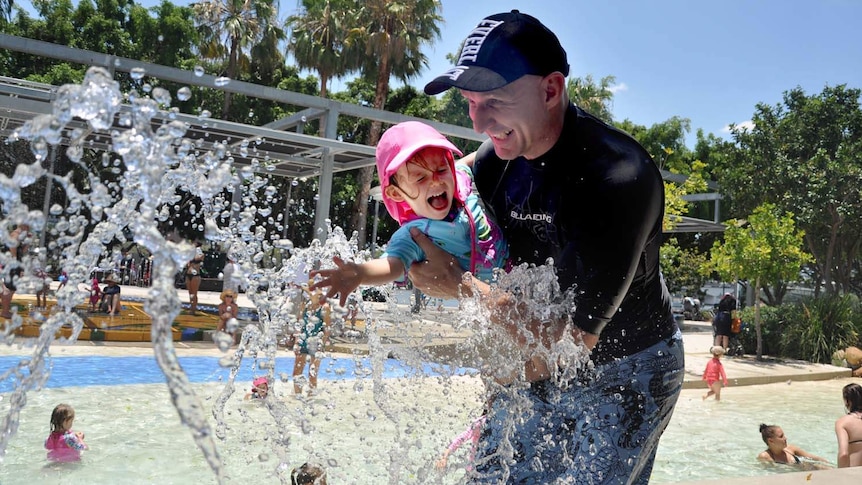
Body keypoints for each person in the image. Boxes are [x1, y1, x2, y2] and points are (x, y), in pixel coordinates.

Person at [410, 10, 684, 482]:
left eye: (493, 100)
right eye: (470, 102)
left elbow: (570, 343)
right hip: (534, 355)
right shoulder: (494, 164)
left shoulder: (618, 178)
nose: (478, 122)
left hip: (628, 367)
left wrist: (462, 286)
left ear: (551, 90)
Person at [309, 121, 509, 309]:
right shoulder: (414, 235)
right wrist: (361, 273)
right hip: (484, 298)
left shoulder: (458, 181)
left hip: (513, 270)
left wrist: (506, 141)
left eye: (441, 169)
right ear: (396, 193)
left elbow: (471, 160)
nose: (436, 181)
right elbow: (391, 265)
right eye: (420, 178)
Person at [292, 288, 331, 396]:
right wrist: (296, 342)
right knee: (296, 373)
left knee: (312, 375)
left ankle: (311, 399)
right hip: (303, 341)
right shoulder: (305, 305)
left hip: (316, 343)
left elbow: (326, 329)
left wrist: (320, 346)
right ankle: (297, 397)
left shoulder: (325, 307)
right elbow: (299, 325)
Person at [757, 424, 832, 469]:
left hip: (809, 471)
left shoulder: (791, 449)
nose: (785, 438)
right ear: (771, 441)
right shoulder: (765, 457)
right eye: (781, 436)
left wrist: (827, 462)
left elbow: (812, 457)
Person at [1, 223, 30, 319]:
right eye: (28, 227)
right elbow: (12, 248)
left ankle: (5, 310)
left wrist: (28, 242)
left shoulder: (20, 236)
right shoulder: (15, 235)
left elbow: (23, 251)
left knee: (11, 288)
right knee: (9, 289)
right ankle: (5, 311)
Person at [835, 383, 862, 467]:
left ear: (848, 401)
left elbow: (844, 454)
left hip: (855, 474)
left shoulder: (842, 422)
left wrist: (842, 475)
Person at [184, 241, 204, 315]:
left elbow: (200, 257)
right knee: (190, 293)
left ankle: (193, 309)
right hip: (188, 274)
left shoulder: (199, 251)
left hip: (196, 275)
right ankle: (191, 307)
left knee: (194, 293)